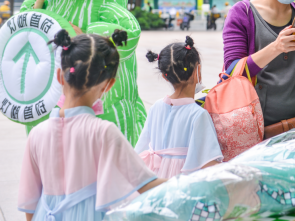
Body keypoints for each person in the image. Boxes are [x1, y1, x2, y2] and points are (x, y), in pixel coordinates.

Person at [18, 29, 165, 221]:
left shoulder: (37, 134)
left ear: (60, 77)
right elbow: (145, 183)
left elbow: (30, 203)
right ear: (108, 85)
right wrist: (202, 182)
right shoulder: (103, 132)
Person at [136, 36, 223, 178]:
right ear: (197, 71)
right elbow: (208, 163)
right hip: (181, 184)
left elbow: (141, 148)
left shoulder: (156, 107)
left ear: (165, 76)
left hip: (155, 181)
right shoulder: (198, 114)